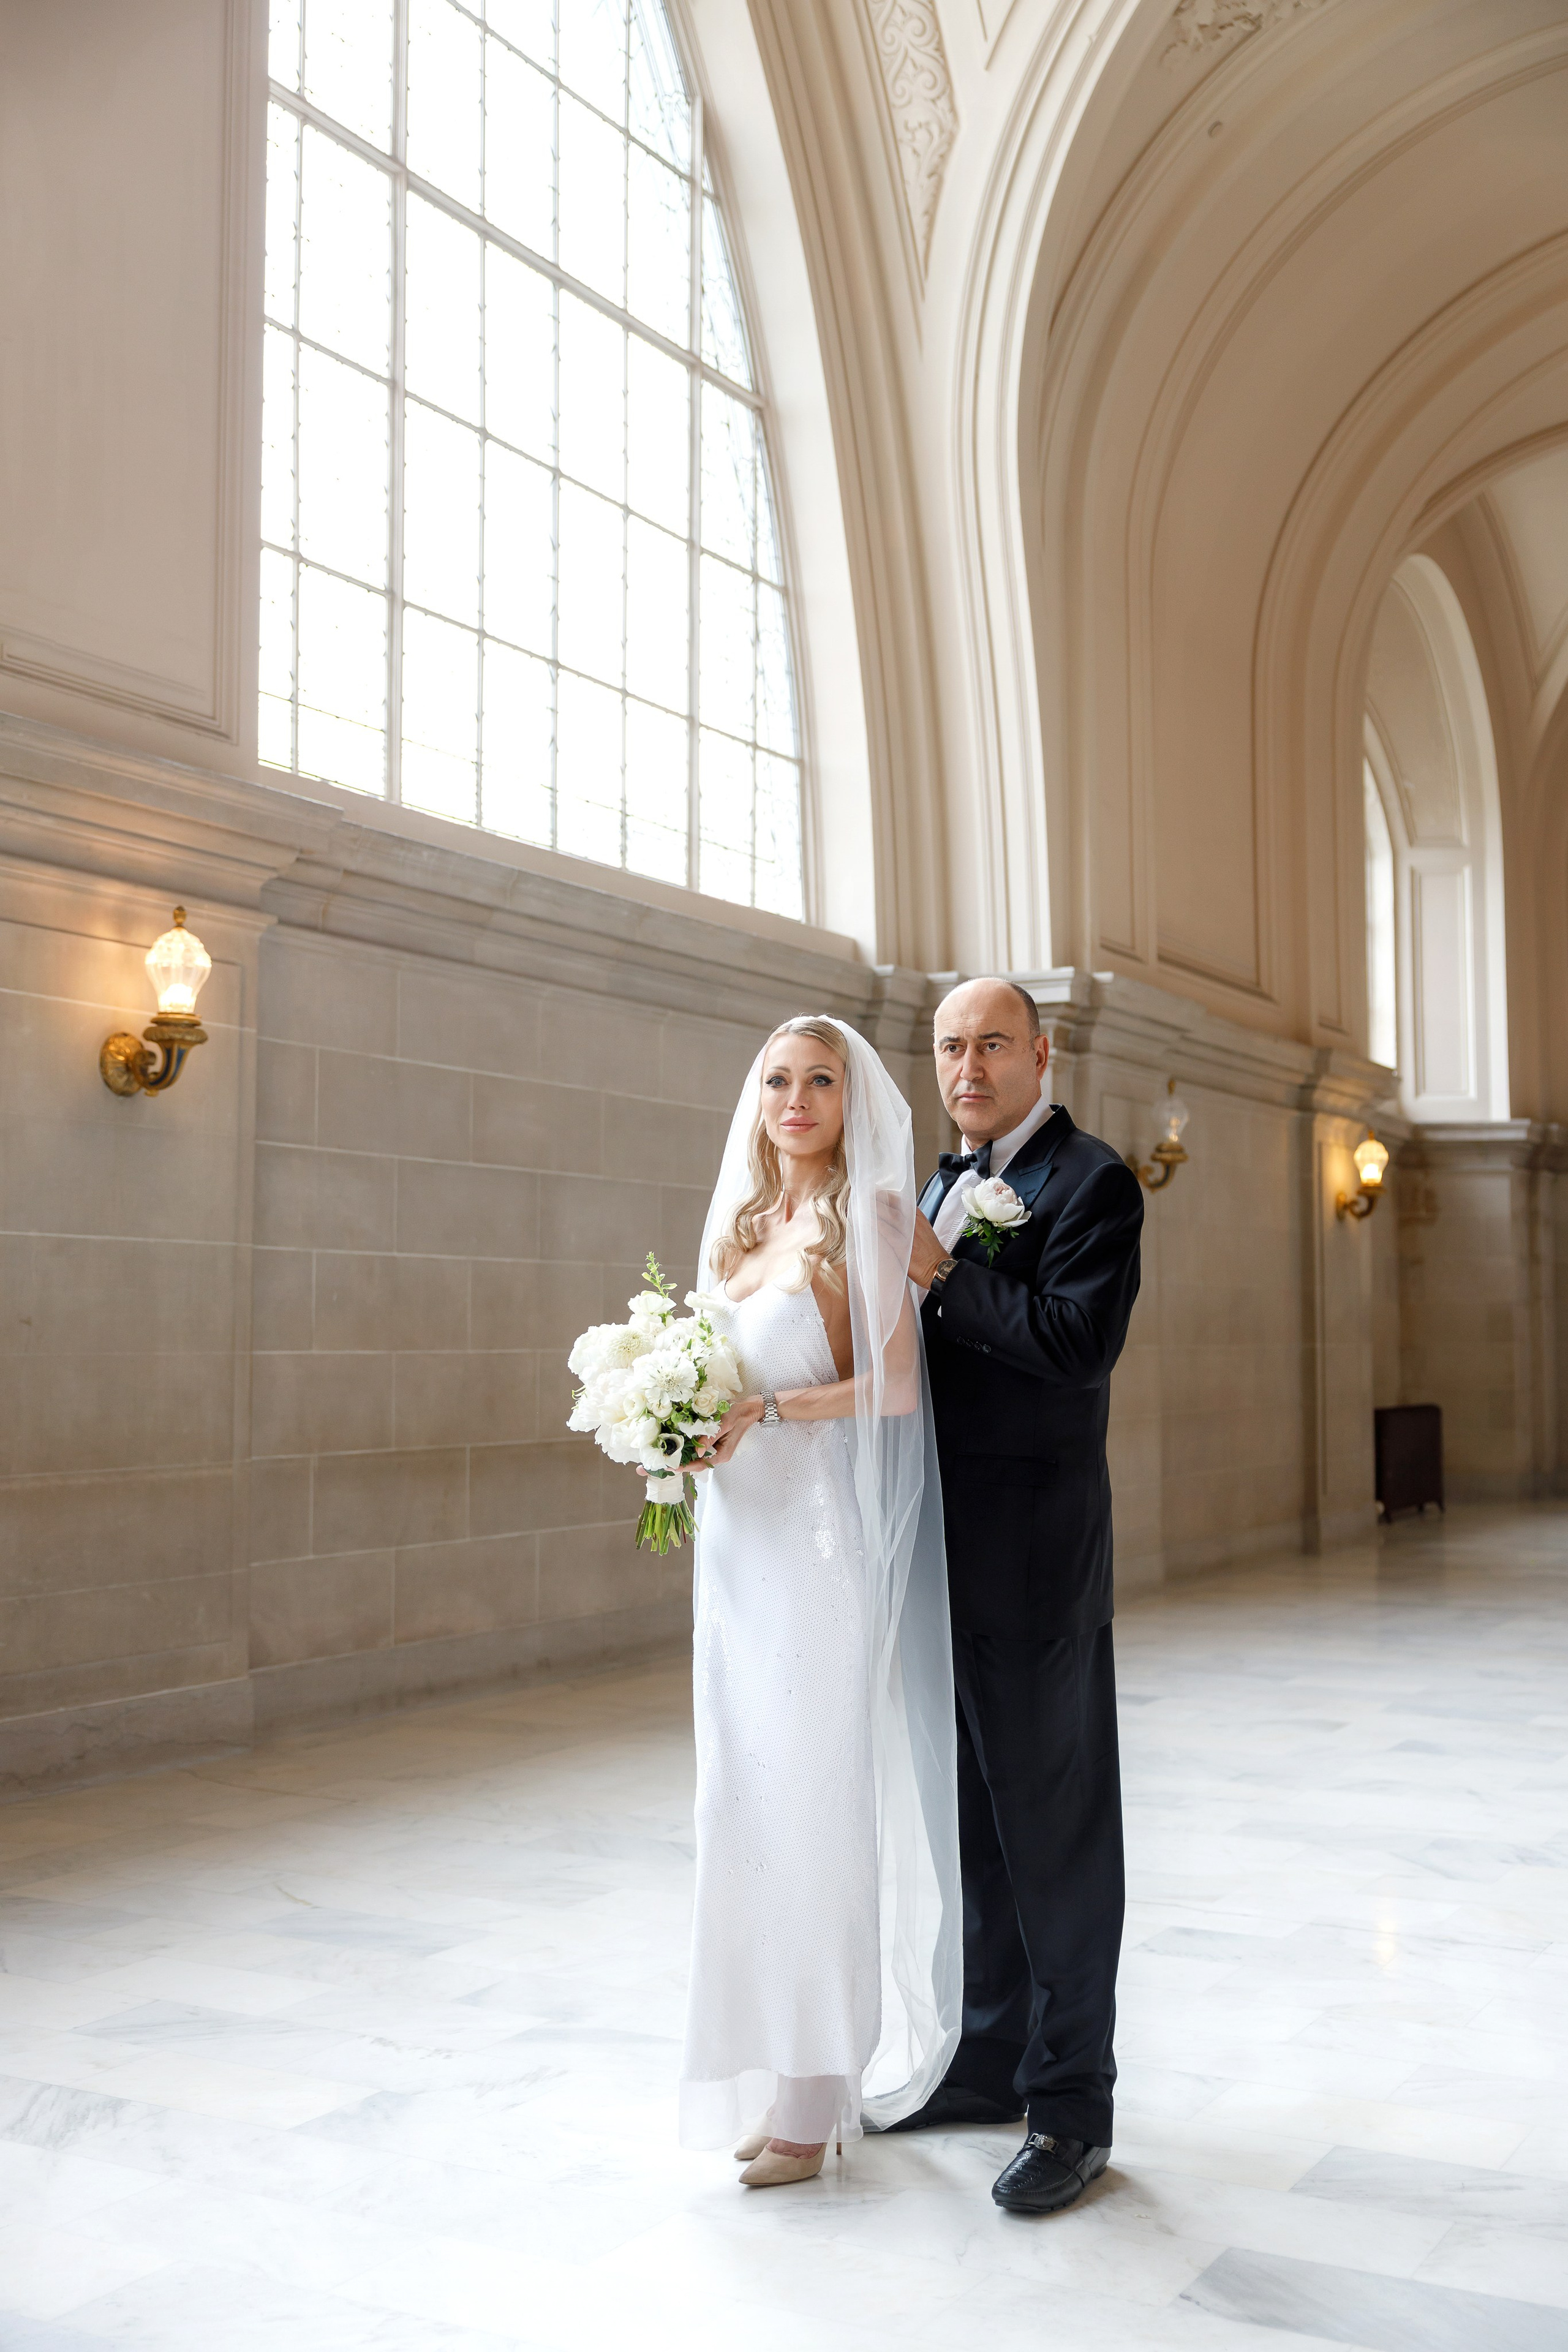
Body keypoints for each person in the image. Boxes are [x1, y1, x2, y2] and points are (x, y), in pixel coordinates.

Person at [679, 1016, 961, 2187]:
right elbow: (712, 1370)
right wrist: (683, 1426)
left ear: (853, 1100)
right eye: (778, 1081)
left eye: (821, 1081)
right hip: (737, 1557)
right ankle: (782, 2073)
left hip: (816, 1553)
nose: (796, 1100)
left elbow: (893, 1390)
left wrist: (769, 1417)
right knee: (742, 1807)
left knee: (813, 1809)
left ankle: (819, 2093)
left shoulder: (877, 1218)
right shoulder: (744, 1229)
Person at [900, 977, 1144, 2216]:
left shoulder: (1090, 1180)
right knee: (979, 1836)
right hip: (940, 1555)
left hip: (1037, 1563)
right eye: (948, 1045)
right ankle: (986, 2063)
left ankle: (1070, 2109)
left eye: (990, 1042)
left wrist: (942, 1273)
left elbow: (1071, 1345)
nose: (966, 1064)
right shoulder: (938, 1182)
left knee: (1055, 1843)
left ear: (1039, 1053)